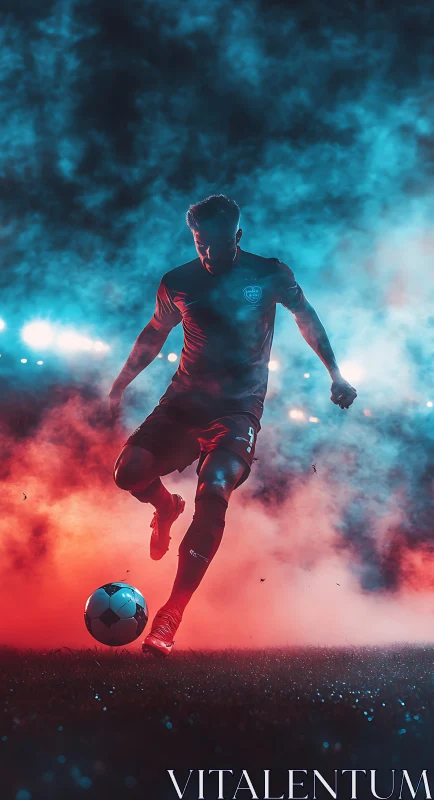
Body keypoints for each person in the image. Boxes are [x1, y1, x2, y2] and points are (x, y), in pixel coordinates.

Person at [110, 194, 357, 658]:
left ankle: (171, 614)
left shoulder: (268, 273)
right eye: (201, 243)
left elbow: (307, 317)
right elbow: (154, 332)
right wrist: (120, 383)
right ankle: (165, 506)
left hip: (238, 410)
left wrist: (335, 373)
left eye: (218, 243)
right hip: (181, 403)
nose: (208, 253)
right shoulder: (177, 281)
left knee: (215, 488)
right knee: (127, 473)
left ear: (238, 237)